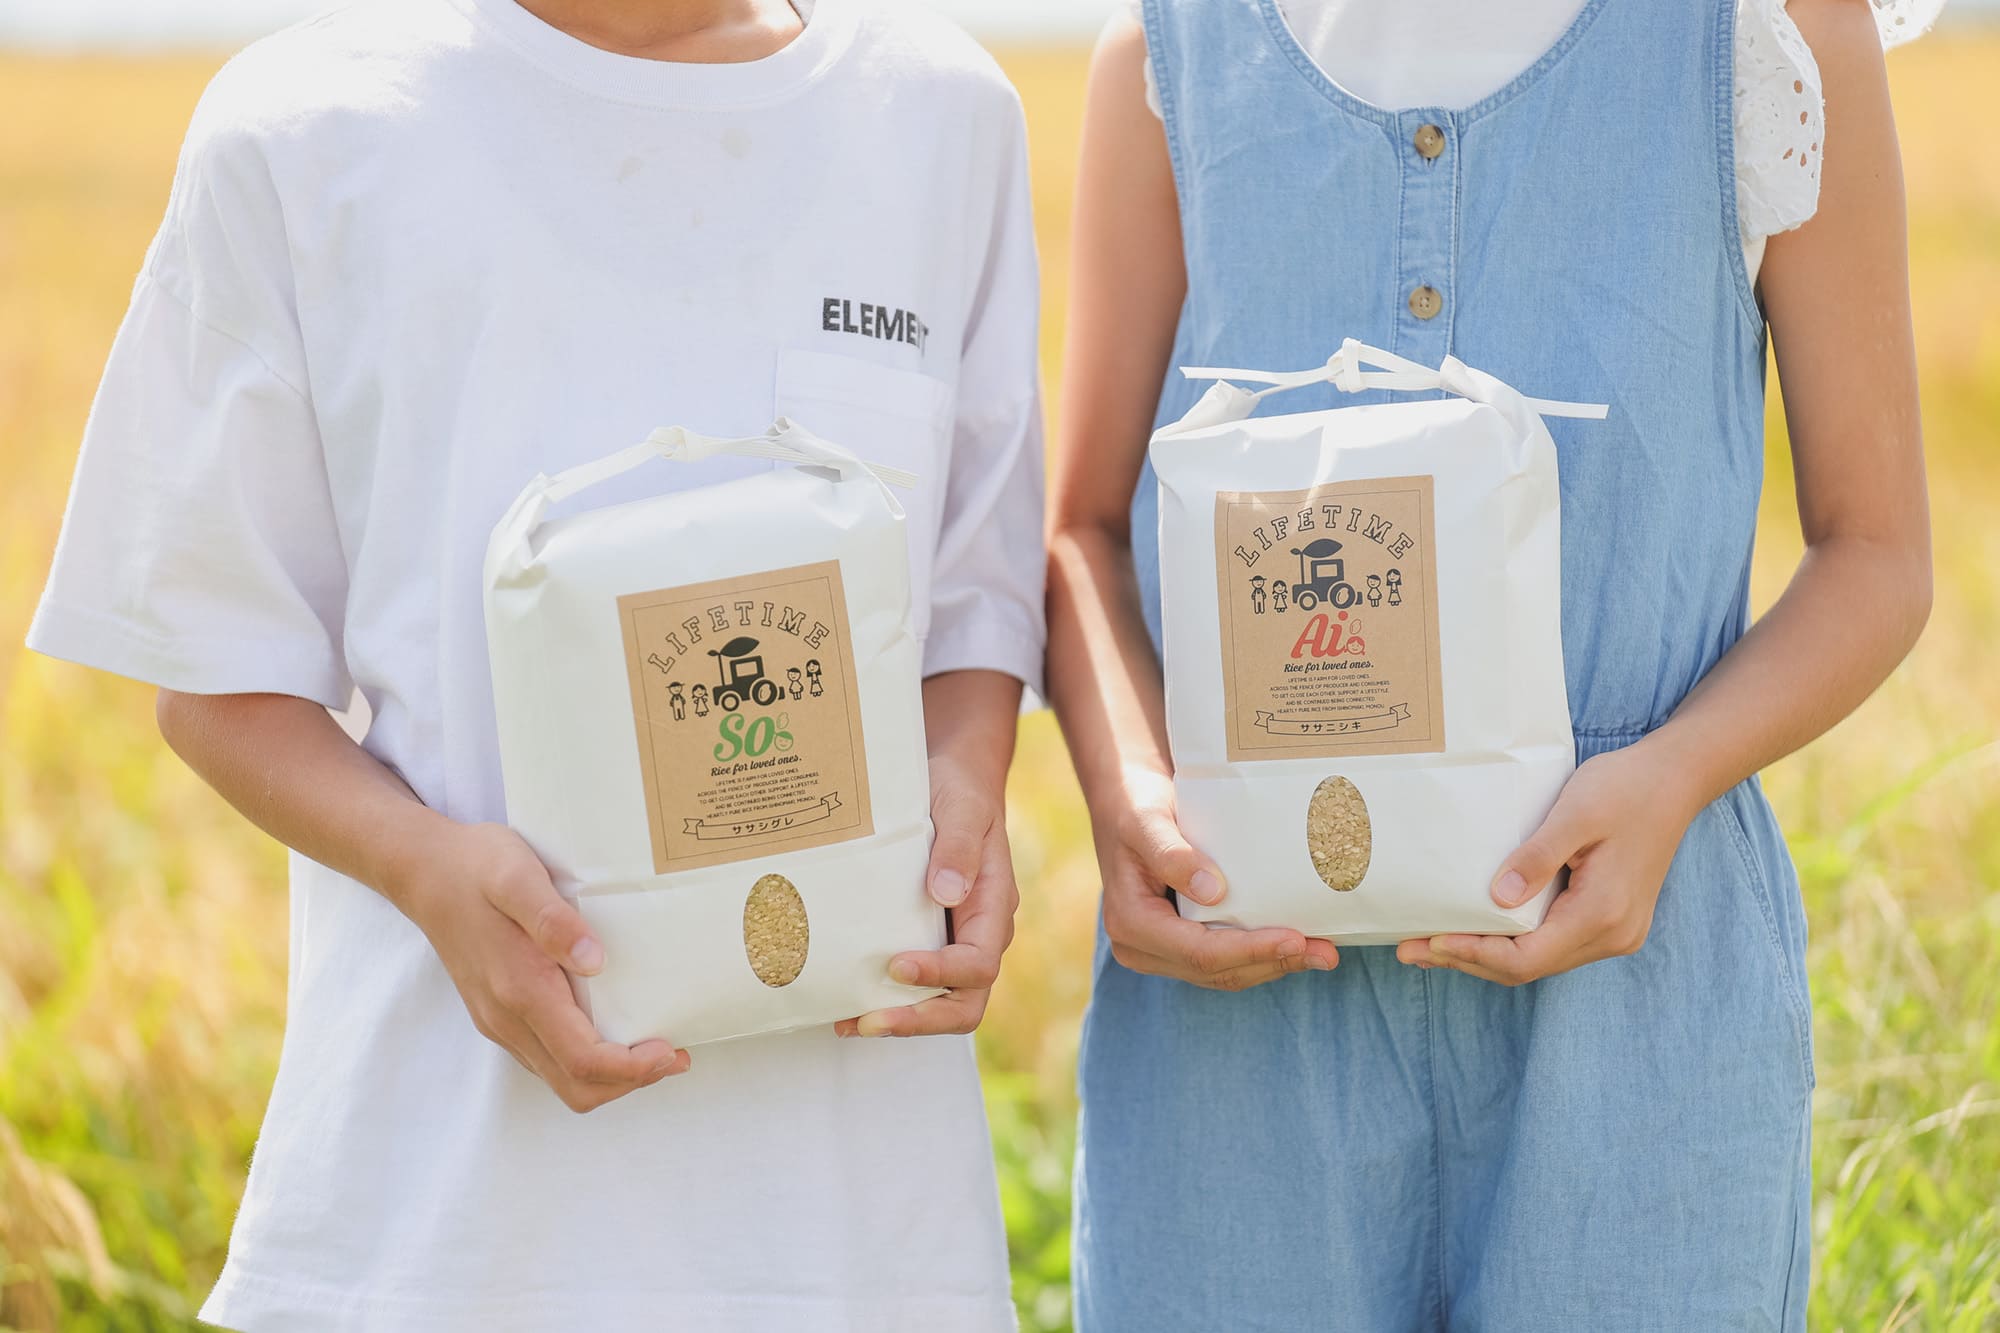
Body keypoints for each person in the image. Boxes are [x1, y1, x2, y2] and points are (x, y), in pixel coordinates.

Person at [27, 0, 1043, 1328]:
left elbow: (971, 610)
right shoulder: (305, 127)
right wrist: (424, 868)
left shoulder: (941, 114)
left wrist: (967, 789)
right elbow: (217, 669)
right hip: (434, 1236)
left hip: (865, 1245)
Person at [1045, 0, 1932, 1326]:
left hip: (1634, 1011)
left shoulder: (1770, 32)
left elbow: (1878, 554)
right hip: (1231, 1022)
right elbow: (1084, 531)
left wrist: (1671, 774)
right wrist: (1132, 792)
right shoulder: (1171, 53)